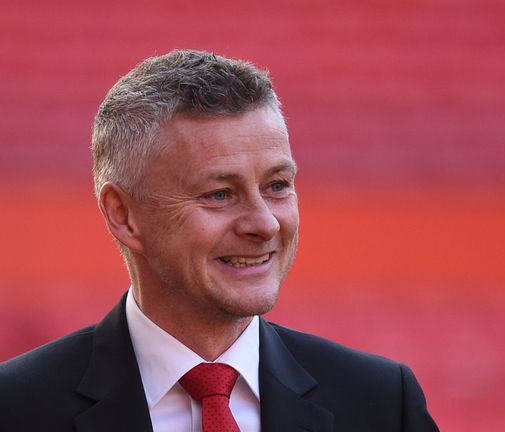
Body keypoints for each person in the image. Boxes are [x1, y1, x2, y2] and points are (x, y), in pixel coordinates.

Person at [0, 49, 439, 432]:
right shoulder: (16, 409)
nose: (264, 224)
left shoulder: (382, 404)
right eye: (219, 194)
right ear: (124, 215)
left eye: (278, 185)